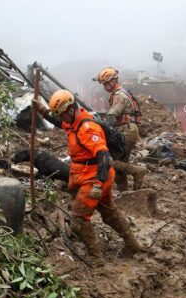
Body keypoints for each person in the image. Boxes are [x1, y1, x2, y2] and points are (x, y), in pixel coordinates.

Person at [33, 90, 142, 265]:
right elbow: (62, 123)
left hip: (95, 178)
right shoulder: (74, 121)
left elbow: (104, 157)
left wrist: (98, 185)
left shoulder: (88, 128)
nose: (61, 118)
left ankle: (96, 257)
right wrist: (43, 111)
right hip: (90, 176)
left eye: (62, 114)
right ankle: (133, 244)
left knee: (78, 219)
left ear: (70, 109)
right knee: (109, 212)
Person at [96, 67, 148, 191]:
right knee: (120, 164)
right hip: (127, 130)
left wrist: (103, 130)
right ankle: (124, 193)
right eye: (104, 84)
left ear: (115, 80)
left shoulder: (119, 95)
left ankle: (137, 171)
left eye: (108, 82)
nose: (106, 86)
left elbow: (112, 116)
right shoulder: (120, 93)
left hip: (126, 131)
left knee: (111, 160)